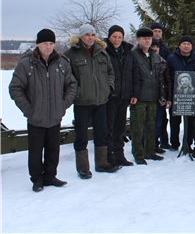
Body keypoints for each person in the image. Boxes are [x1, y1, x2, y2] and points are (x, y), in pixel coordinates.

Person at [9, 29, 77, 192]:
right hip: (36, 116)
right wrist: (28, 109)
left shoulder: (61, 63)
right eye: (45, 43)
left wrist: (63, 104)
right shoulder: (27, 64)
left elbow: (72, 84)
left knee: (53, 148)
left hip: (55, 115)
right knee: (36, 150)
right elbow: (15, 88)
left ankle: (50, 175)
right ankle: (37, 178)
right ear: (38, 44)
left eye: (51, 43)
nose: (48, 47)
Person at [64, 24, 120, 179]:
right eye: (87, 34)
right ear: (81, 37)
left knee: (101, 133)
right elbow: (68, 77)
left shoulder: (101, 52)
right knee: (81, 136)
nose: (90, 37)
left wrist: (108, 86)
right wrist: (78, 91)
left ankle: (102, 163)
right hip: (82, 101)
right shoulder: (71, 54)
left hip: (101, 100)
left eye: (92, 34)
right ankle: (83, 168)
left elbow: (110, 72)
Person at [104, 25, 138, 167]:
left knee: (120, 128)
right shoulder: (104, 51)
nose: (117, 39)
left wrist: (134, 93)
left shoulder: (128, 52)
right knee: (109, 128)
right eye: (114, 37)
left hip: (124, 96)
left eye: (119, 37)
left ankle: (119, 155)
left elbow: (134, 74)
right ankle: (108, 156)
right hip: (110, 96)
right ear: (109, 37)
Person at [130, 28, 165, 165]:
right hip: (139, 97)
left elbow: (160, 76)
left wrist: (161, 94)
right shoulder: (133, 55)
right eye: (144, 38)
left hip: (153, 96)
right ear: (138, 40)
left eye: (149, 38)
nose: (147, 41)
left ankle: (150, 151)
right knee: (137, 127)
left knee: (151, 125)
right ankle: (138, 153)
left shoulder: (155, 56)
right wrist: (133, 94)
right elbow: (131, 76)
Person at [166, 35, 195, 152]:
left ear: (192, 46)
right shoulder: (171, 59)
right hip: (176, 95)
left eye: (188, 44)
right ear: (179, 45)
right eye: (184, 44)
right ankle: (174, 143)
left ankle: (188, 143)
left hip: (191, 95)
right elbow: (167, 78)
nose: (186, 46)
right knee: (175, 121)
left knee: (190, 122)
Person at [150, 39, 173, 154]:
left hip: (161, 97)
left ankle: (155, 144)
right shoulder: (143, 60)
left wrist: (168, 97)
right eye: (152, 46)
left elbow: (168, 81)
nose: (155, 48)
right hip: (147, 97)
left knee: (159, 122)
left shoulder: (163, 62)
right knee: (148, 122)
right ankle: (147, 145)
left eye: (156, 47)